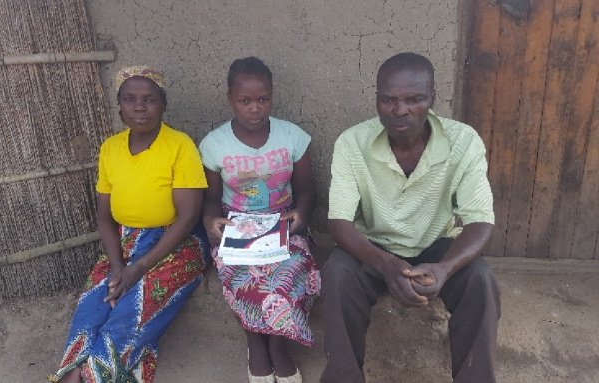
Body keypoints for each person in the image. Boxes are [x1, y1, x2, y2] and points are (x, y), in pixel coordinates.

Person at [320, 52, 501, 383]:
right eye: (388, 99)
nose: (400, 110)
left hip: (437, 245)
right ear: (377, 100)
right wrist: (387, 265)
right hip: (374, 245)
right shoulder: (352, 142)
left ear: (432, 97)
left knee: (481, 279)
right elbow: (340, 224)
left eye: (414, 99)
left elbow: (479, 220)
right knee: (336, 274)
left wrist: (445, 268)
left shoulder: (463, 141)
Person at [49, 66, 210, 383]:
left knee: (134, 304)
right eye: (130, 99)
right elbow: (104, 216)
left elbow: (188, 216)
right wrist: (117, 264)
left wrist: (136, 270)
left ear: (163, 105)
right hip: (123, 242)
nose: (139, 106)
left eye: (149, 99)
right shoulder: (110, 149)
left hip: (177, 241)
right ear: (119, 106)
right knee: (96, 300)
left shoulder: (180, 146)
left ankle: (96, 375)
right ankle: (70, 373)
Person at [199, 57, 320, 383]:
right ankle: (256, 342)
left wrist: (302, 214)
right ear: (230, 99)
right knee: (244, 275)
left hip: (283, 225)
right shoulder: (214, 145)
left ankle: (278, 347)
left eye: (262, 99)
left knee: (289, 272)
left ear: (272, 97)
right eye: (245, 100)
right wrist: (211, 222)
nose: (255, 108)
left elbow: (307, 190)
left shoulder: (293, 137)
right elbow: (210, 200)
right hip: (236, 227)